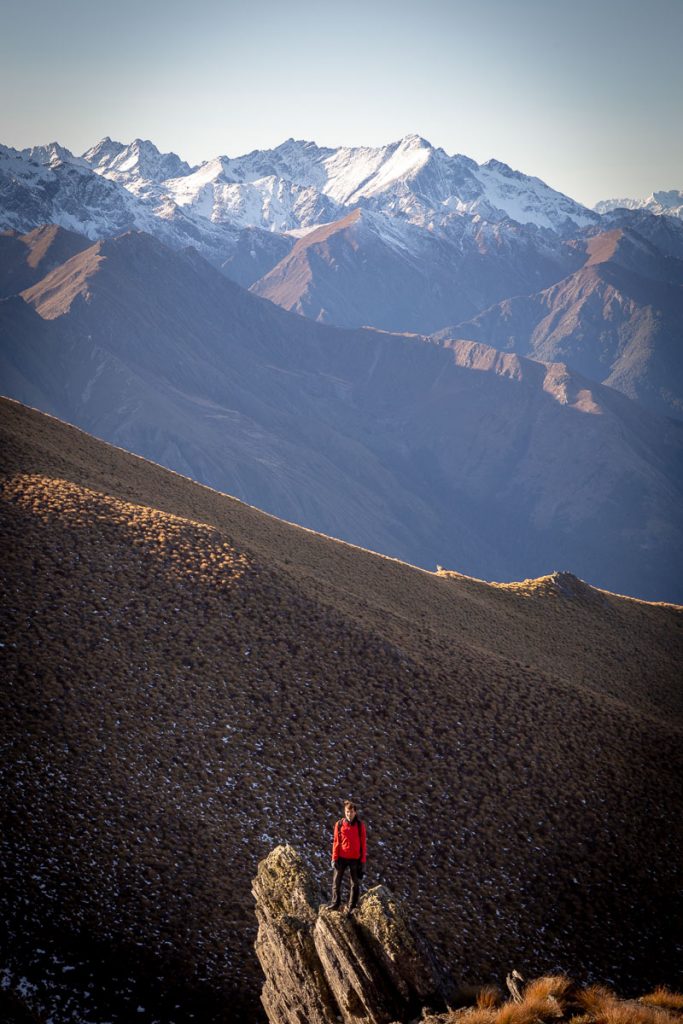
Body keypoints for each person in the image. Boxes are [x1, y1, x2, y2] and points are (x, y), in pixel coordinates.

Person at [326, 799, 367, 912]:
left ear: (355, 812)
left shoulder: (360, 826)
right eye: (347, 812)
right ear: (345, 812)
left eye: (351, 812)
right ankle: (335, 903)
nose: (349, 814)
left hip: (355, 859)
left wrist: (363, 862)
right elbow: (335, 842)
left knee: (355, 884)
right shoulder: (339, 824)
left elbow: (363, 844)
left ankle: (352, 906)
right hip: (341, 858)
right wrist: (334, 858)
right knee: (336, 882)